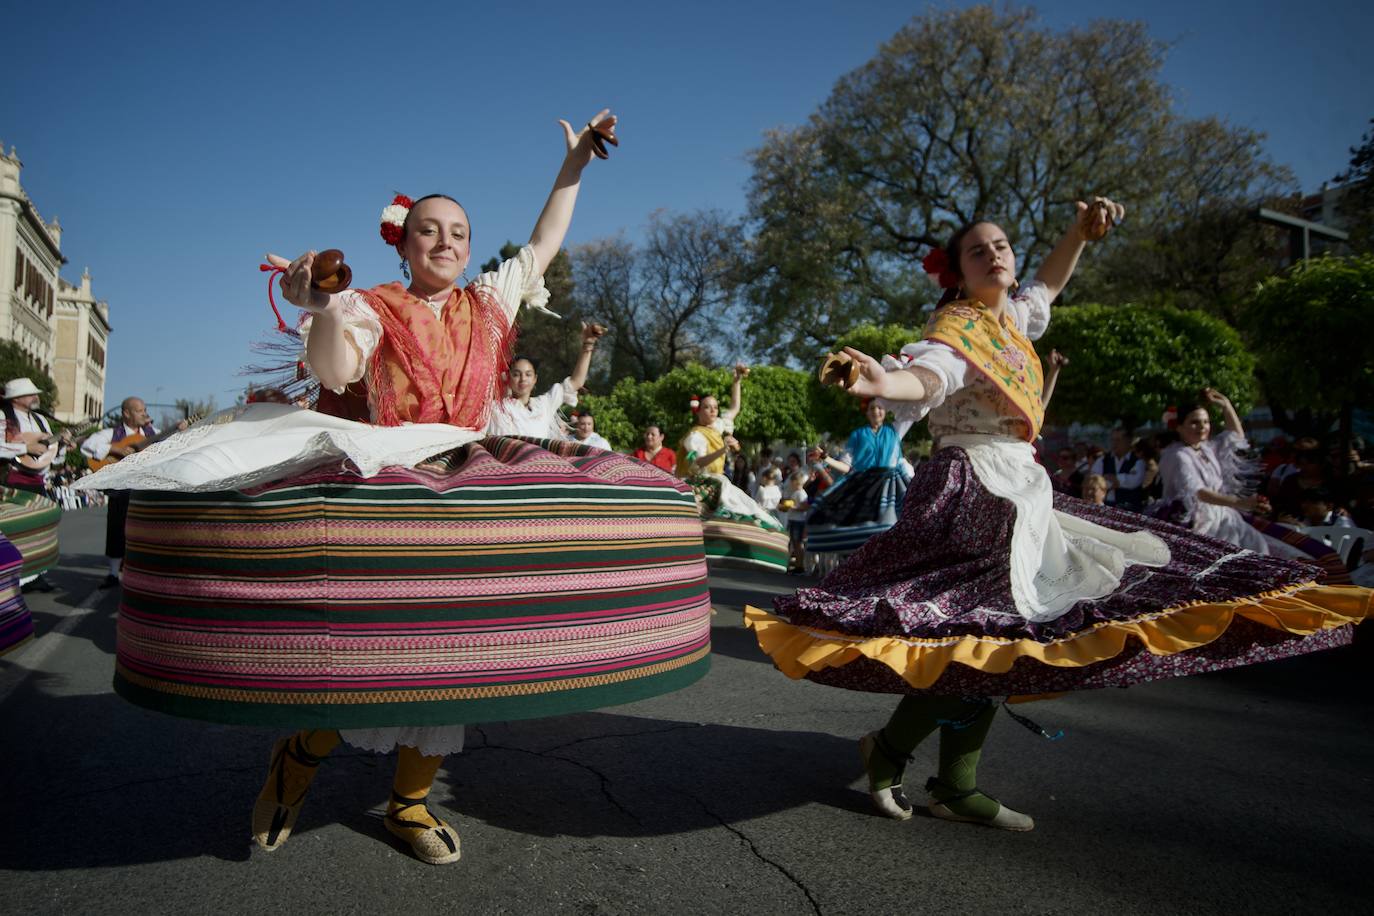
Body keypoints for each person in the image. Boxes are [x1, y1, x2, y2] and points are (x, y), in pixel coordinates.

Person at [75, 110, 713, 866]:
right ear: (404, 243)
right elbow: (337, 374)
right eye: (429, 231)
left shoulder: (492, 301)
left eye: (458, 233)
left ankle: (409, 802)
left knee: (457, 656)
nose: (445, 242)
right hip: (388, 468)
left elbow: (543, 241)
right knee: (367, 650)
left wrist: (574, 164)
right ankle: (299, 756)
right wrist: (318, 308)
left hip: (470, 468)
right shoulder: (372, 307)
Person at [747, 199, 1369, 832]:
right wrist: (884, 384)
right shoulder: (957, 330)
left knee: (1006, 638)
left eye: (1003, 246)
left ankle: (949, 781)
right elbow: (930, 378)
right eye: (977, 249)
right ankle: (902, 757)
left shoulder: (1015, 319)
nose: (995, 254)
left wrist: (1079, 232)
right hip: (975, 490)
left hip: (1023, 488)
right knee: (985, 634)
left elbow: (1049, 284)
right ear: (957, 275)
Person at [677, 366, 790, 571]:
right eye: (707, 407)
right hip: (697, 481)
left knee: (746, 508)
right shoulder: (695, 436)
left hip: (718, 480)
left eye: (715, 407)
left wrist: (736, 381)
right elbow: (698, 463)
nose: (713, 411)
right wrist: (723, 451)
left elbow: (735, 408)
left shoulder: (718, 427)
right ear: (698, 411)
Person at [80, 397, 186, 588]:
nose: (144, 413)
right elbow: (87, 446)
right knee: (116, 529)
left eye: (145, 409)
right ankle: (113, 574)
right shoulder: (112, 433)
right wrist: (116, 449)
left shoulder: (153, 433)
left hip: (144, 489)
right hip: (120, 490)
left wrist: (179, 431)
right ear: (126, 413)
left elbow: (172, 446)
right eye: (139, 410)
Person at [1158, 390, 1272, 553]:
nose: (1202, 427)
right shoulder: (1177, 455)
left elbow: (1236, 436)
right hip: (1194, 520)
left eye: (1206, 422)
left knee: (1257, 546)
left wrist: (1226, 406)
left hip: (1223, 516)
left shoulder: (1207, 449)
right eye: (1194, 422)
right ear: (1179, 427)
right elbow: (1199, 493)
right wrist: (1240, 502)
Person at [804, 401, 911, 556]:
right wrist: (825, 457)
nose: (876, 411)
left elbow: (913, 410)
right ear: (866, 413)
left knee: (894, 524)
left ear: (886, 411)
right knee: (856, 528)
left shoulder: (895, 430)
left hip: (888, 484)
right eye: (872, 408)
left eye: (880, 407)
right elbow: (846, 466)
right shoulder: (858, 434)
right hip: (863, 484)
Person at [0, 378, 69, 592]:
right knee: (15, 530)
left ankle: (36, 575)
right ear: (17, 398)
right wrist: (24, 447)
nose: (35, 397)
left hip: (38, 481)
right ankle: (14, 577)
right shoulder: (3, 417)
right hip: (10, 480)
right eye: (31, 394)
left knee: (39, 528)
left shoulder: (41, 421)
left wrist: (63, 446)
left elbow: (50, 456)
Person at [486, 323, 603, 439]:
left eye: (528, 374)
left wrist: (588, 344)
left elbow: (576, 382)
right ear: (508, 377)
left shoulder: (543, 405)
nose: (523, 379)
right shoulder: (496, 409)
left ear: (535, 379)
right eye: (516, 374)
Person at [1090, 428, 1146, 510]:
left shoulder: (1137, 461)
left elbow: (1134, 482)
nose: (1114, 443)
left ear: (1128, 441)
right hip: (1105, 506)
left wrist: (1114, 479)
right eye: (1112, 440)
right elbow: (1095, 480)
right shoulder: (1103, 460)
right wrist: (1112, 481)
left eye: (1118, 440)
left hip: (1130, 508)